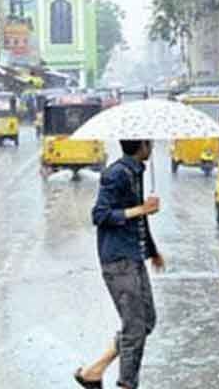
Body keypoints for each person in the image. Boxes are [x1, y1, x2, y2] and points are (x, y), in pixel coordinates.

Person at [76, 140, 164, 389]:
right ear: (142, 146)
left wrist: (153, 251)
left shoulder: (135, 171)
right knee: (135, 327)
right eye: (150, 143)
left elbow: (139, 220)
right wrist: (141, 209)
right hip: (118, 260)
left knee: (147, 321)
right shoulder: (116, 174)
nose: (153, 147)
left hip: (134, 256)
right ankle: (127, 384)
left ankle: (93, 372)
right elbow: (100, 215)